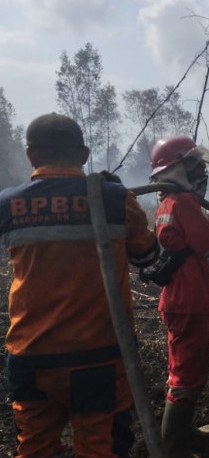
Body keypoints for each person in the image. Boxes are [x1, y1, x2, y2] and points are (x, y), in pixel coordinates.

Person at [0, 113, 159, 457]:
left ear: (31, 156)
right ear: (85, 155)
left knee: (36, 448)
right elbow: (148, 257)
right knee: (100, 448)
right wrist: (119, 195)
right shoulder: (114, 199)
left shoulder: (8, 203)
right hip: (97, 356)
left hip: (29, 355)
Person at [148, 135, 209, 457]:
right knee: (187, 373)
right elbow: (207, 246)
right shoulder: (183, 203)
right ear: (179, 169)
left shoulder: (169, 201)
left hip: (183, 298)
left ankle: (183, 432)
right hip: (189, 301)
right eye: (195, 165)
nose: (202, 171)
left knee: (186, 369)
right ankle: (174, 448)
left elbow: (196, 247)